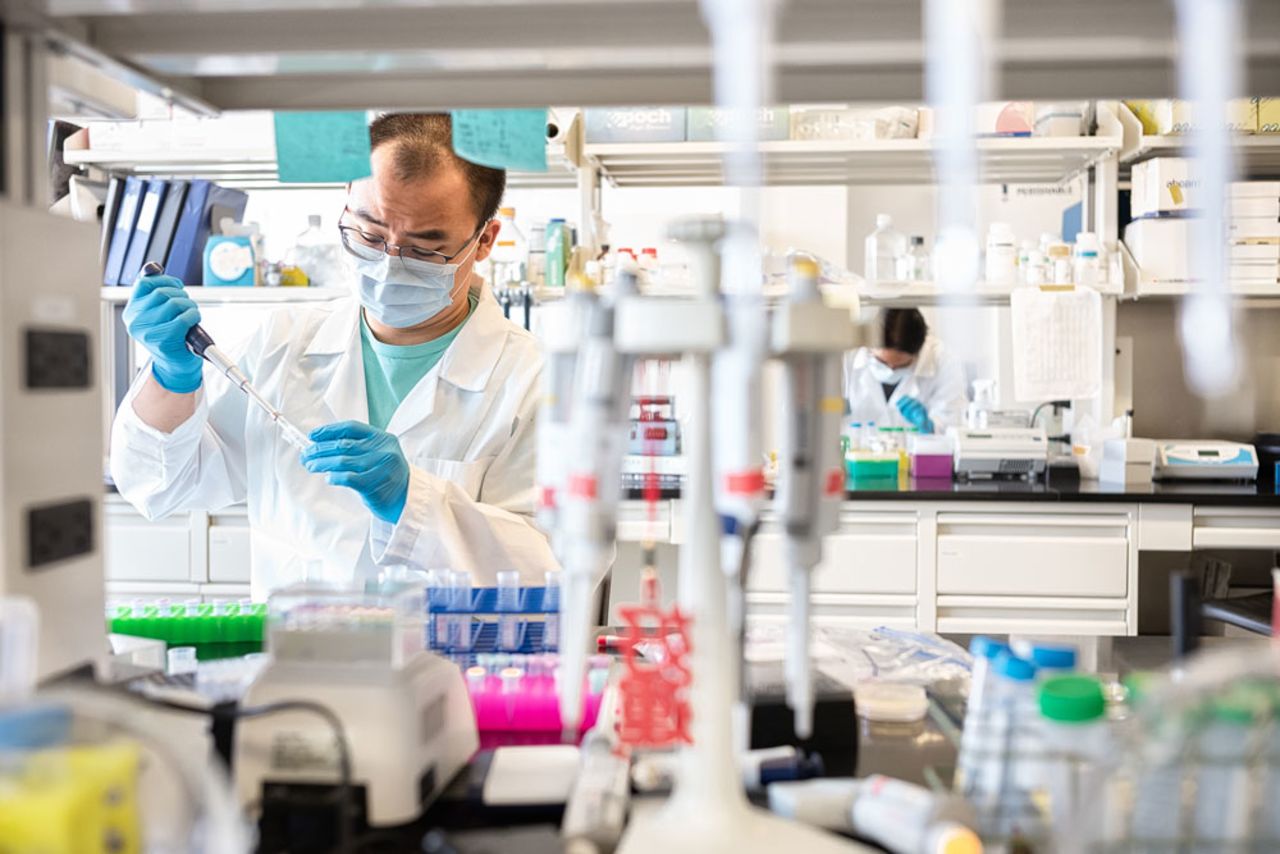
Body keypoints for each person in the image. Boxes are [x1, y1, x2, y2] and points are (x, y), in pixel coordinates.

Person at [110, 113, 557, 597]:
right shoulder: (283, 344)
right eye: (368, 235)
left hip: (455, 668)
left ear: (484, 240)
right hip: (299, 662)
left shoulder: (535, 382)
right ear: (345, 205)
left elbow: (554, 572)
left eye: (425, 249)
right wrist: (172, 376)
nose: (389, 265)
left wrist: (414, 501)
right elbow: (161, 487)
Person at [843, 308, 966, 435]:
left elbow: (953, 427)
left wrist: (930, 427)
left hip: (914, 453)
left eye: (901, 366)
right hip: (855, 452)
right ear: (868, 347)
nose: (890, 370)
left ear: (917, 353)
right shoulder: (845, 356)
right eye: (882, 363)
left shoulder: (943, 360)